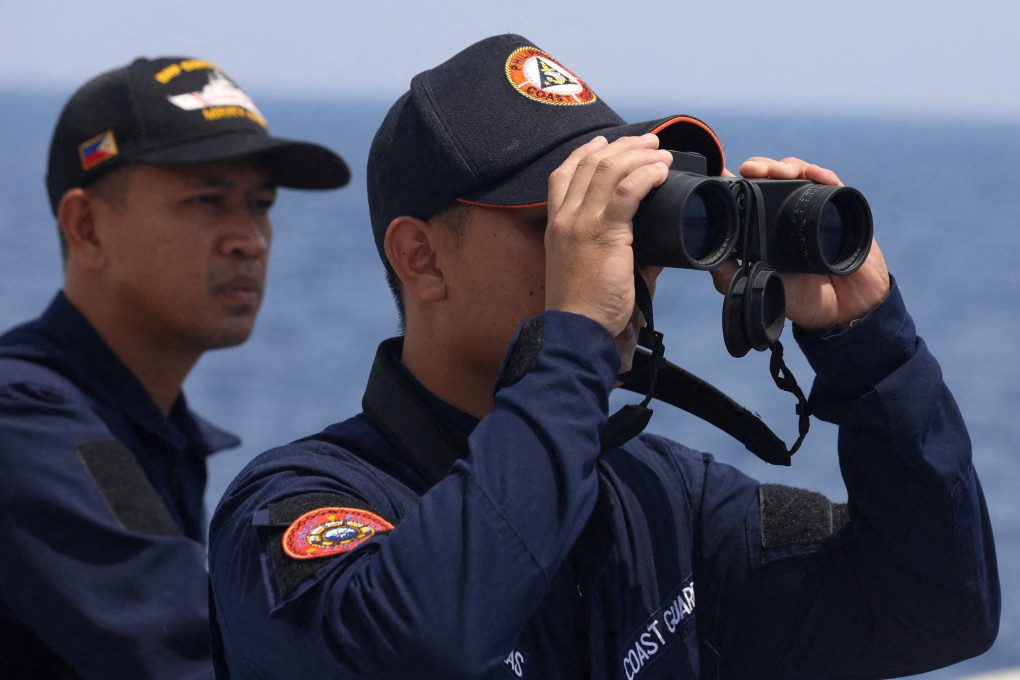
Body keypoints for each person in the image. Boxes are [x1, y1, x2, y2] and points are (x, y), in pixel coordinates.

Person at [208, 34, 1000, 679]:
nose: (617, 256)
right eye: (563, 220)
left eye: (628, 216)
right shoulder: (291, 509)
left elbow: (935, 611)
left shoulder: (664, 503)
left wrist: (870, 351)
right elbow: (424, 646)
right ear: (421, 259)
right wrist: (575, 338)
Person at [0, 56, 349, 679]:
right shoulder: (25, 423)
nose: (250, 238)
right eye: (206, 200)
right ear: (87, 227)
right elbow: (193, 661)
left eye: (261, 203)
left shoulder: (132, 426)